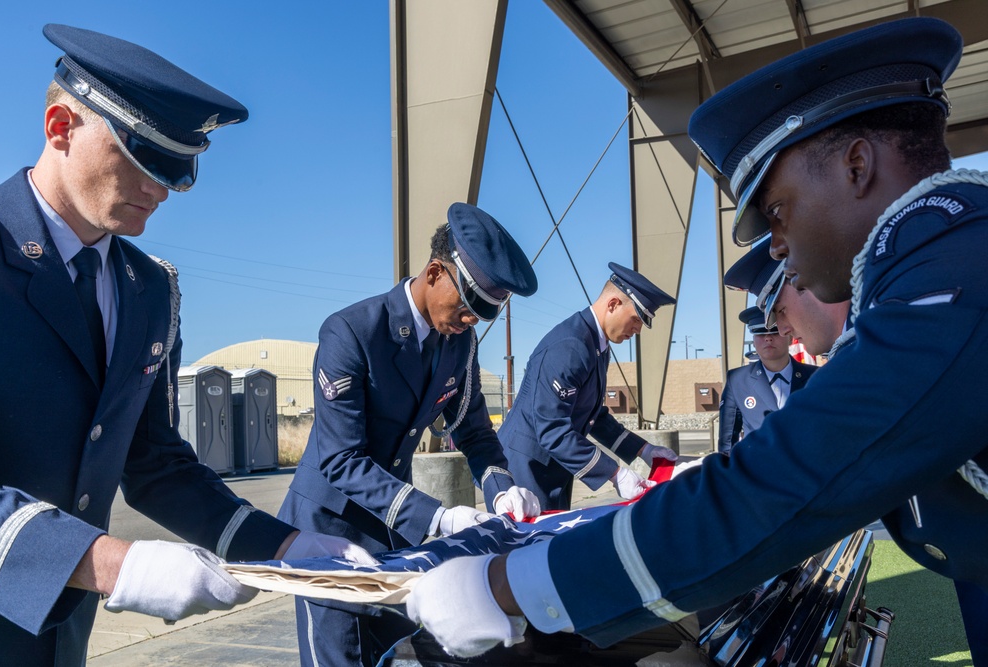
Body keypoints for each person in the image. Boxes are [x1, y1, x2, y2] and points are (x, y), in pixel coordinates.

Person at [404, 16, 988, 661]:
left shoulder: (955, 273)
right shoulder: (940, 259)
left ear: (855, 165)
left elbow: (790, 481)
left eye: (777, 210)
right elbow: (556, 427)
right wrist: (625, 471)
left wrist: (509, 584)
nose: (780, 247)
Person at [0, 25, 373, 666]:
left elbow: (155, 462)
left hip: (60, 636)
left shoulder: (148, 290)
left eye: (177, 170)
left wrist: (280, 547)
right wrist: (112, 564)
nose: (162, 189)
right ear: (61, 126)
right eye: (143, 159)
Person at [278, 203, 543, 666]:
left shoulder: (459, 344)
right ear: (436, 272)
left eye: (486, 313)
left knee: (407, 650)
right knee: (339, 656)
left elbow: (474, 432)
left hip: (391, 526)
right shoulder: (353, 332)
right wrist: (438, 519)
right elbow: (341, 460)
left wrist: (502, 492)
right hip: (328, 528)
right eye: (469, 304)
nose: (472, 320)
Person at [498, 263, 678, 510]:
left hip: (554, 465)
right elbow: (552, 429)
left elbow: (593, 416)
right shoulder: (570, 347)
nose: (637, 330)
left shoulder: (595, 344)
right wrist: (615, 474)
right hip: (527, 469)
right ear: (613, 304)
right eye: (636, 319)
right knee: (532, 545)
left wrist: (643, 449)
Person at [716, 307, 817, 454]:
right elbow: (727, 444)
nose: (768, 338)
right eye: (760, 333)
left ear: (789, 337)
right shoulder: (737, 380)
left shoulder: (815, 377)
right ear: (753, 339)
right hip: (758, 471)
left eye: (775, 331)